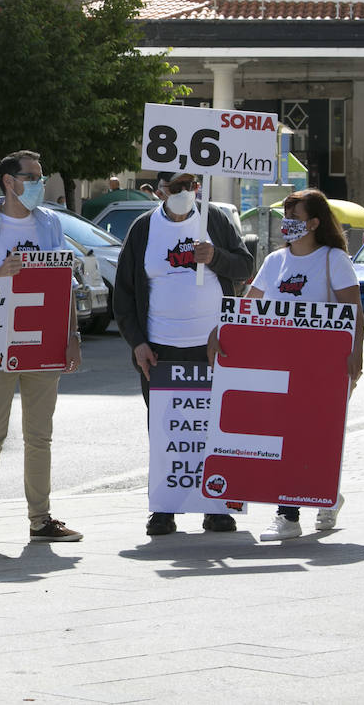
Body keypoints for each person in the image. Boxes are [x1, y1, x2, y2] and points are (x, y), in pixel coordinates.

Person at [0, 149, 84, 543]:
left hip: (43, 340)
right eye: (33, 177)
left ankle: (40, 519)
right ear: (9, 182)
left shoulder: (49, 224)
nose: (40, 185)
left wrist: (71, 337)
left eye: (42, 177)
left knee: (40, 435)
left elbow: (65, 285)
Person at [214, 189, 362, 541]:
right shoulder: (275, 261)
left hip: (322, 366)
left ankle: (316, 499)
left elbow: (353, 310)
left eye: (295, 218)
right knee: (288, 435)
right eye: (286, 217)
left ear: (314, 223)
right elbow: (249, 307)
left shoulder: (333, 259)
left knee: (315, 435)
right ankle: (293, 511)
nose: (287, 224)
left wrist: (356, 356)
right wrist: (220, 332)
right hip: (279, 366)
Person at [112, 172, 254, 537]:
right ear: (160, 191)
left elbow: (244, 266)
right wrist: (137, 343)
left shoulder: (215, 221)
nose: (185, 193)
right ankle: (164, 508)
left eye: (191, 186)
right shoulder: (144, 229)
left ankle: (218, 506)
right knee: (165, 431)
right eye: (176, 188)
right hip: (161, 349)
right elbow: (124, 293)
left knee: (215, 427)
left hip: (212, 348)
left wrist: (216, 256)